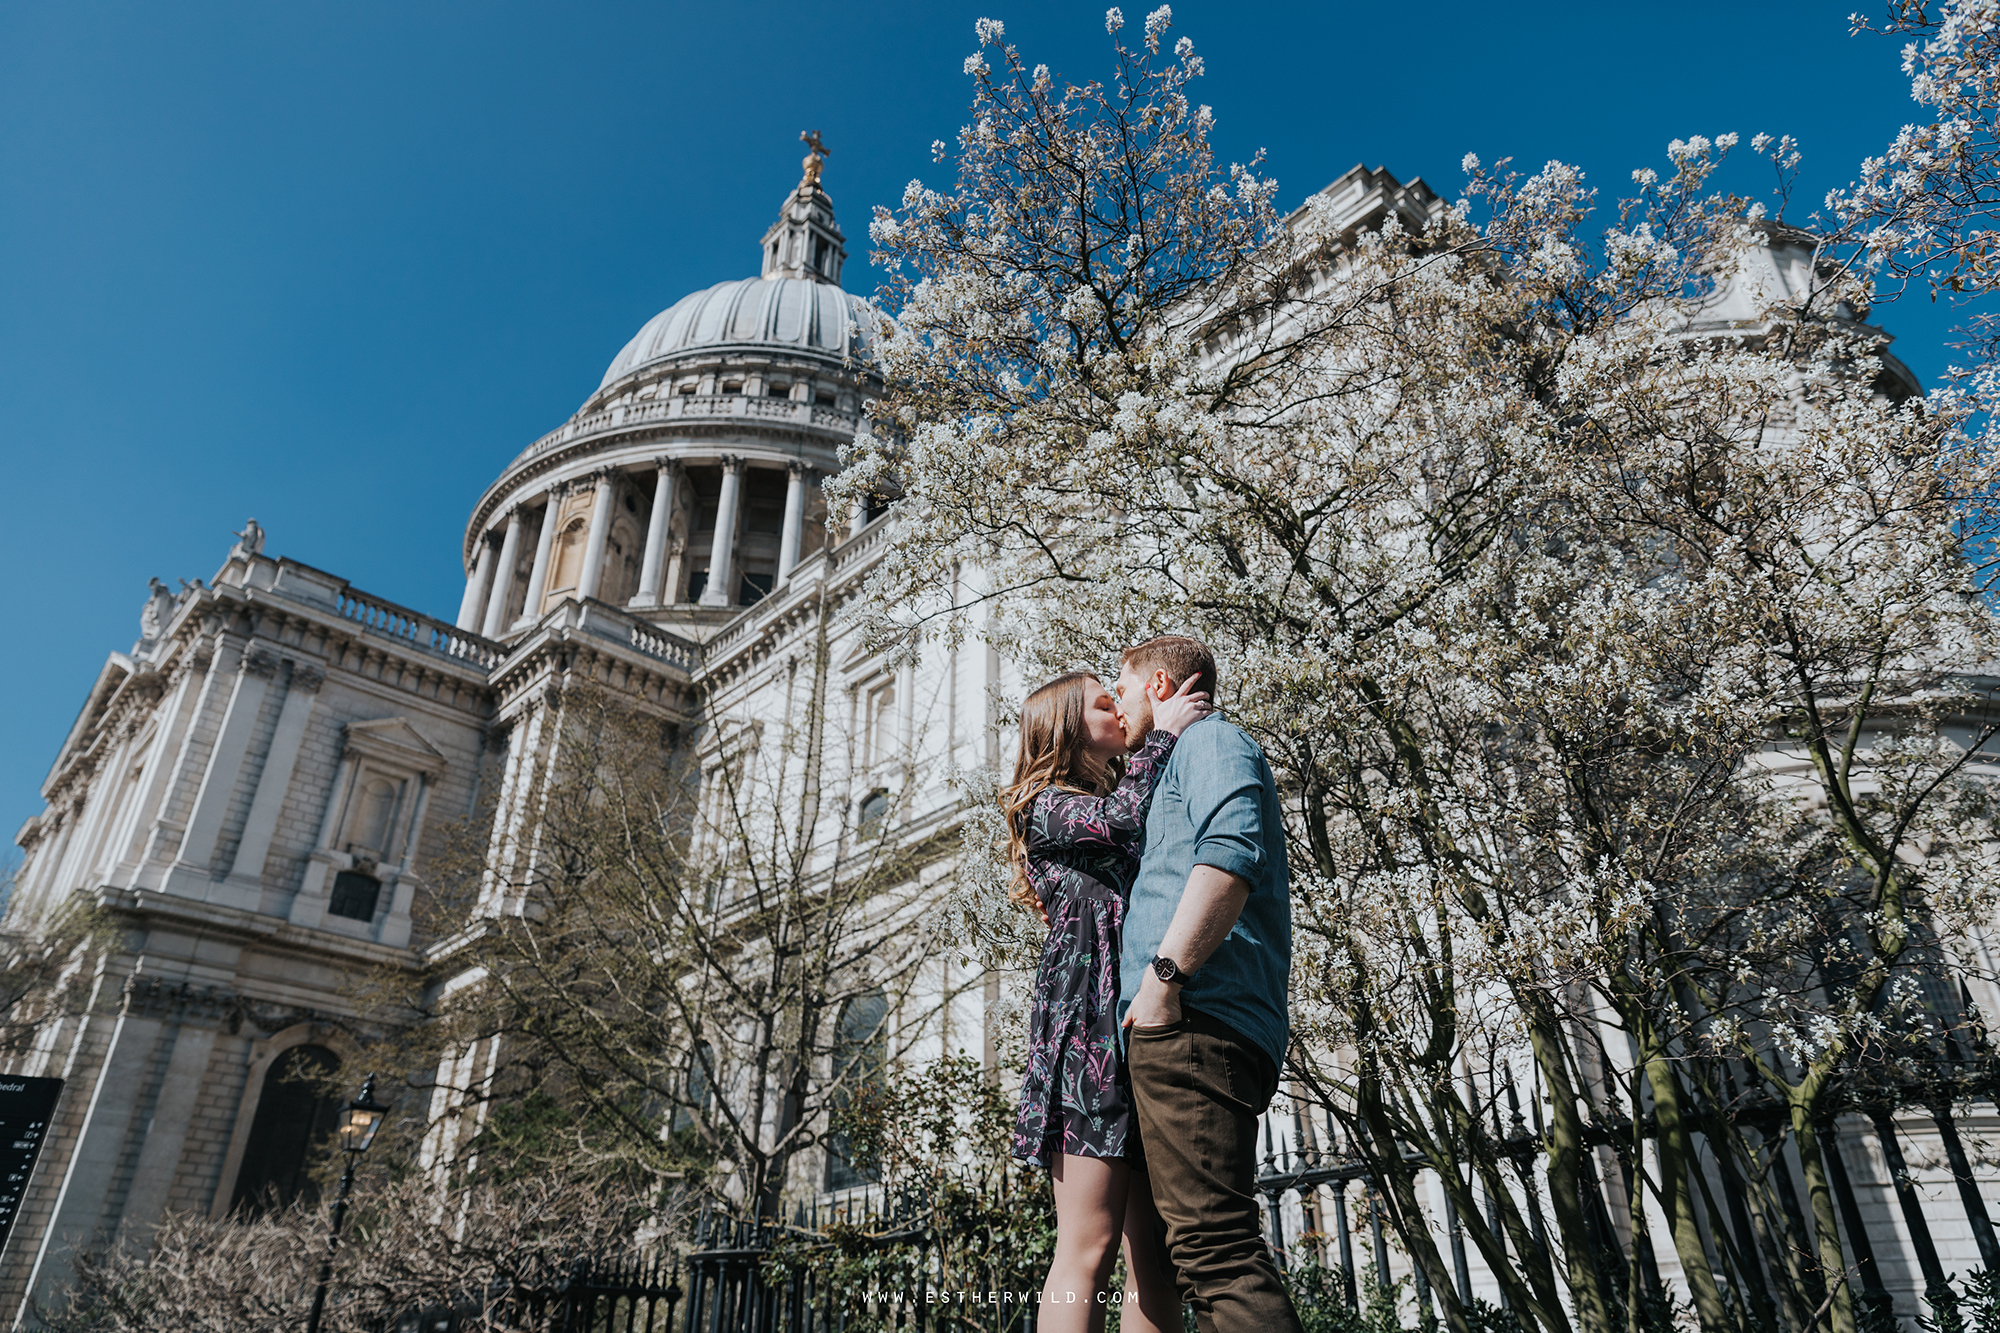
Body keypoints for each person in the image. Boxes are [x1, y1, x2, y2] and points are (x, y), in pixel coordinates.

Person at [1003, 669, 1212, 1333]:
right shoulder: (1045, 801)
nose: (1121, 709)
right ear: (1065, 725)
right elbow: (1120, 822)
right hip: (1086, 1032)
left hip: (1137, 1020)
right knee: (1087, 1245)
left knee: (1154, 1255)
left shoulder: (1123, 790)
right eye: (1104, 702)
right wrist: (1167, 730)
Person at [1115, 635, 1303, 1333]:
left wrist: (1165, 979)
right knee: (1169, 1263)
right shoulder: (1173, 761)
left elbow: (1230, 856)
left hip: (1194, 1016)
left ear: (1159, 683)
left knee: (1215, 1252)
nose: (1115, 702)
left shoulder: (1213, 744)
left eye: (1122, 688)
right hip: (1173, 1024)